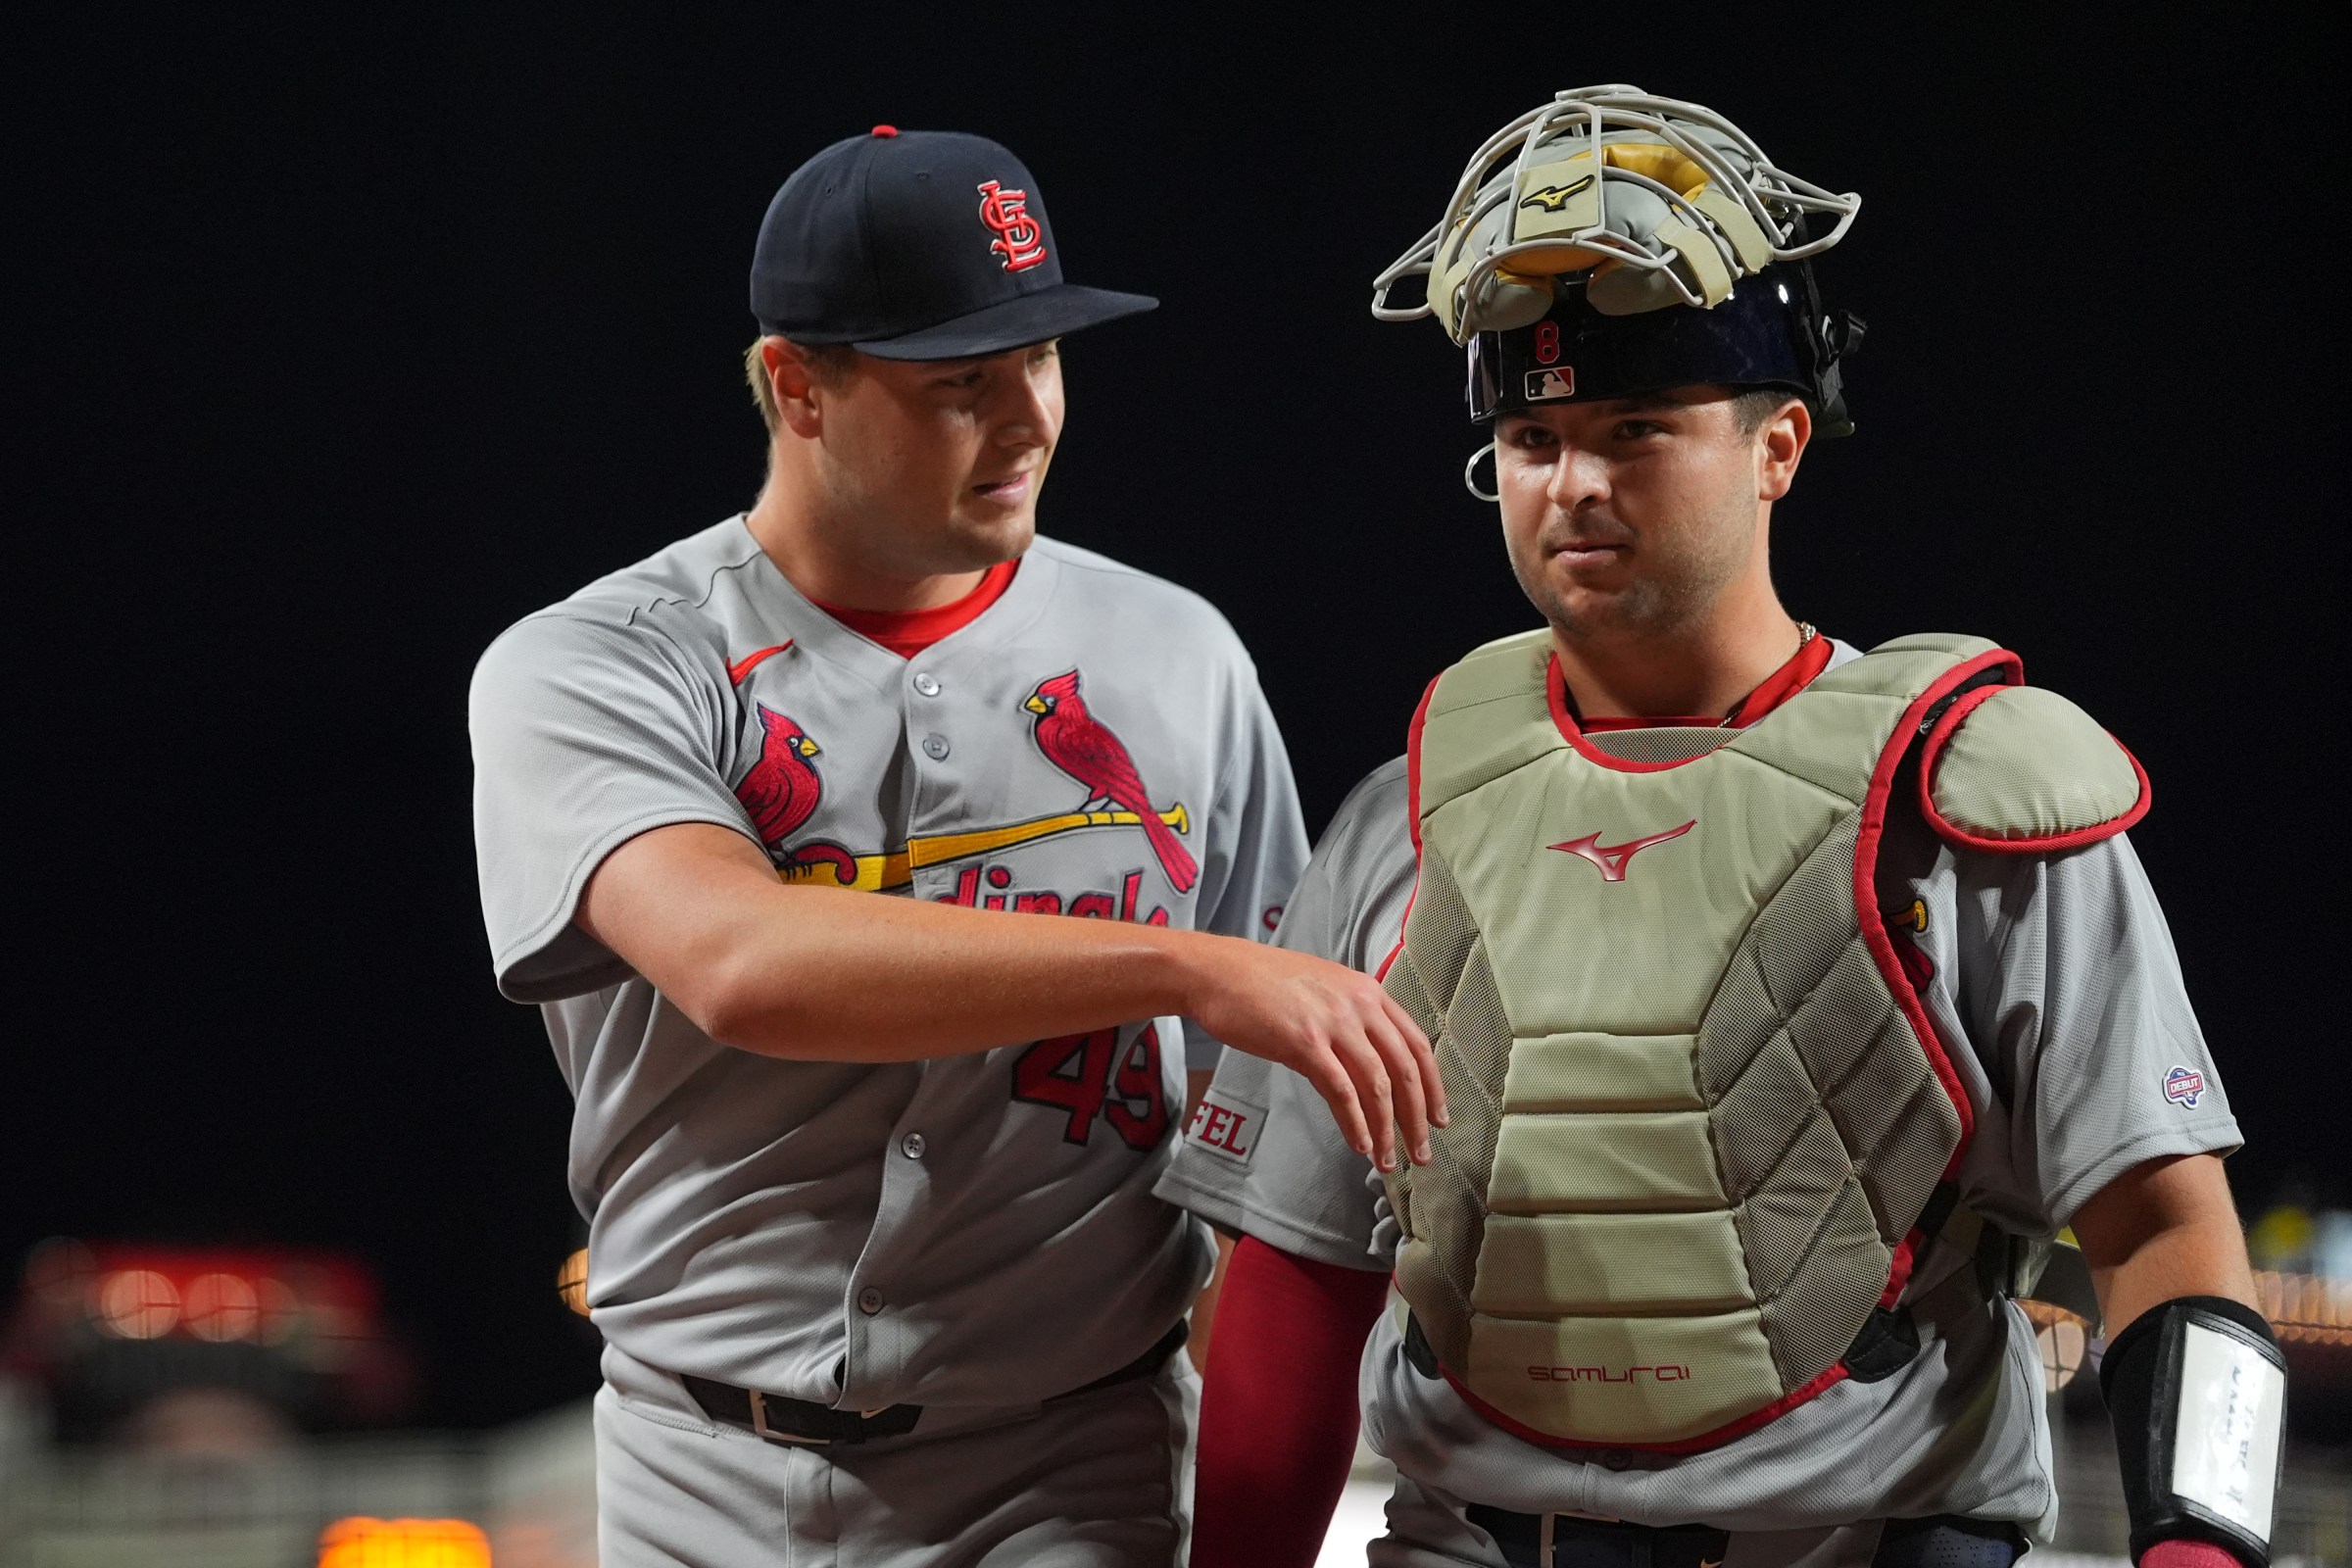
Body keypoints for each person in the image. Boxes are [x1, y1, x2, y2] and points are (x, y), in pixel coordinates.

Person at [1162, 87, 2284, 1568]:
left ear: (1778, 447)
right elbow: (1299, 1277)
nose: (1576, 482)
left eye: (1640, 428)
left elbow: (2168, 1246)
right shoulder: (1401, 822)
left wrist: (2205, 1557)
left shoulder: (1970, 801)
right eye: (1536, 433)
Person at [466, 124, 1443, 1567]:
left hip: (1076, 1466)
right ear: (798, 385)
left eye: (1042, 361)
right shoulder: (600, 662)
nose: (1029, 417)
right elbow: (742, 964)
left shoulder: (1175, 654)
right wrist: (1187, 967)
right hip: (704, 1475)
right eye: (962, 383)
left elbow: (1254, 1142)